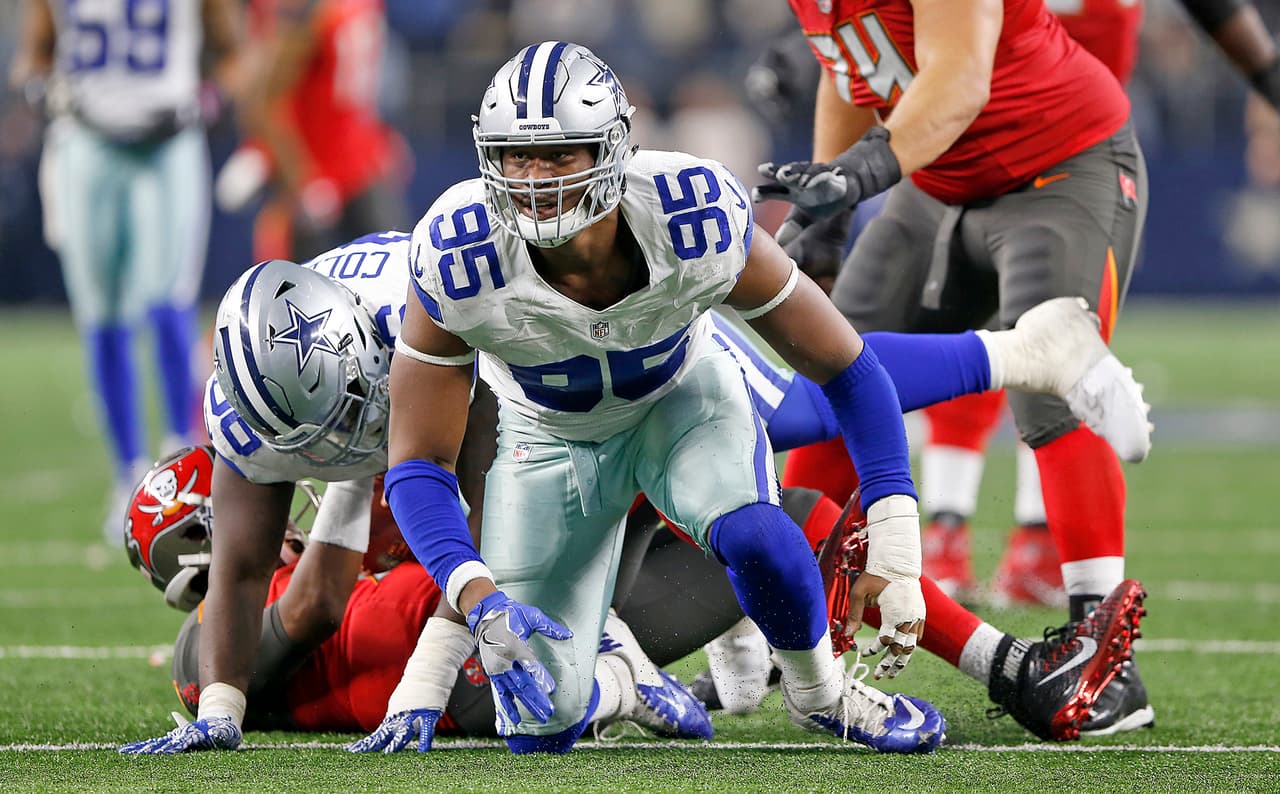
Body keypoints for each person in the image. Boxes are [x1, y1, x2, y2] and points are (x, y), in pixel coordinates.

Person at [370, 40, 1156, 756]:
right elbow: (417, 462)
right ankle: (629, 676)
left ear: (611, 149)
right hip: (549, 440)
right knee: (538, 724)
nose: (533, 181)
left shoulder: (687, 212)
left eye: (557, 155)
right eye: (514, 158)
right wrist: (473, 601)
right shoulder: (457, 253)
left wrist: (898, 535)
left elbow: (844, 364)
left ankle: (824, 694)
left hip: (679, 397)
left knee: (763, 519)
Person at [115, 231, 717, 755]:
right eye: (312, 446)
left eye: (345, 418)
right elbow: (241, 569)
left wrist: (426, 681)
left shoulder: (433, 309)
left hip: (544, 333)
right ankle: (615, 644)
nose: (340, 453)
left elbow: (494, 504)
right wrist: (220, 714)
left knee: (601, 470)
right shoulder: (247, 421)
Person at [756, 0, 1161, 736]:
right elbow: (849, 68)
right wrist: (833, 213)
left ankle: (1108, 663)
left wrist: (852, 178)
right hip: (937, 184)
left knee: (1055, 383)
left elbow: (961, 79)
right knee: (830, 365)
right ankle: (797, 611)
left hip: (1056, 163)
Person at [119, 446, 714, 741]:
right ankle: (616, 683)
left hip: (491, 615)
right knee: (540, 700)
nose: (279, 509)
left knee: (779, 520)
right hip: (464, 683)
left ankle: (751, 647)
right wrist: (361, 464)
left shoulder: (311, 571)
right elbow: (314, 608)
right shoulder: (200, 648)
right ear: (202, 537)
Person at [8, 0, 244, 544]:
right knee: (103, 314)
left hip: (168, 144)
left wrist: (214, 96)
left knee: (169, 301)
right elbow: (32, 60)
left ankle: (178, 468)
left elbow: (233, 58)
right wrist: (41, 88)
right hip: (88, 143)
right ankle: (126, 475)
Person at [219, 0, 408, 264]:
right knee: (300, 289)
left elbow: (357, 97)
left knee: (396, 268)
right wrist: (300, 180)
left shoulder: (365, 7)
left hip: (360, 165)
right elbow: (264, 103)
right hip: (316, 170)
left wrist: (381, 138)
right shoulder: (313, 11)